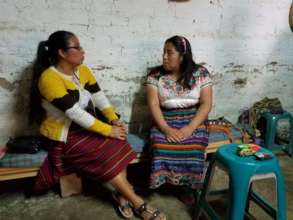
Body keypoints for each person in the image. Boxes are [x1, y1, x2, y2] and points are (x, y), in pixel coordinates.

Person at [29, 30, 166, 220]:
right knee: (105, 151)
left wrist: (113, 120)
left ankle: (120, 194)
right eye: (77, 47)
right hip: (65, 134)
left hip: (87, 126)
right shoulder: (49, 78)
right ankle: (137, 202)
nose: (82, 51)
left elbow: (98, 97)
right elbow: (74, 113)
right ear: (61, 52)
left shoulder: (82, 70)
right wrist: (109, 131)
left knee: (119, 141)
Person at [146, 35, 213, 204]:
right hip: (165, 118)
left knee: (194, 145)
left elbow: (206, 104)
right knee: (161, 144)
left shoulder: (201, 73)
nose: (164, 57)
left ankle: (188, 187)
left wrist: (190, 128)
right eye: (163, 52)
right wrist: (166, 129)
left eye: (169, 53)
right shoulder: (155, 75)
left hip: (194, 117)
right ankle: (168, 183)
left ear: (182, 56)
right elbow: (153, 105)